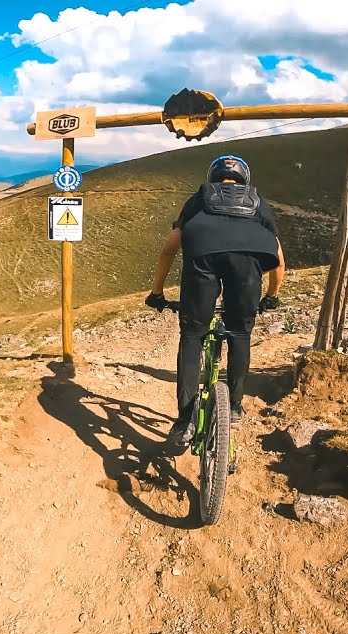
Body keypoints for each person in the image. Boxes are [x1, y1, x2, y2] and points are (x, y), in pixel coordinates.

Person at [146, 154, 285, 444]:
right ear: (244, 178)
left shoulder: (199, 199)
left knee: (193, 334)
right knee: (239, 333)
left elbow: (170, 248)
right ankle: (233, 407)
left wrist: (157, 293)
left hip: (203, 258)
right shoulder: (259, 203)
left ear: (213, 176)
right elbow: (278, 259)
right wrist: (271, 296)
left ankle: (185, 419)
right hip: (248, 264)